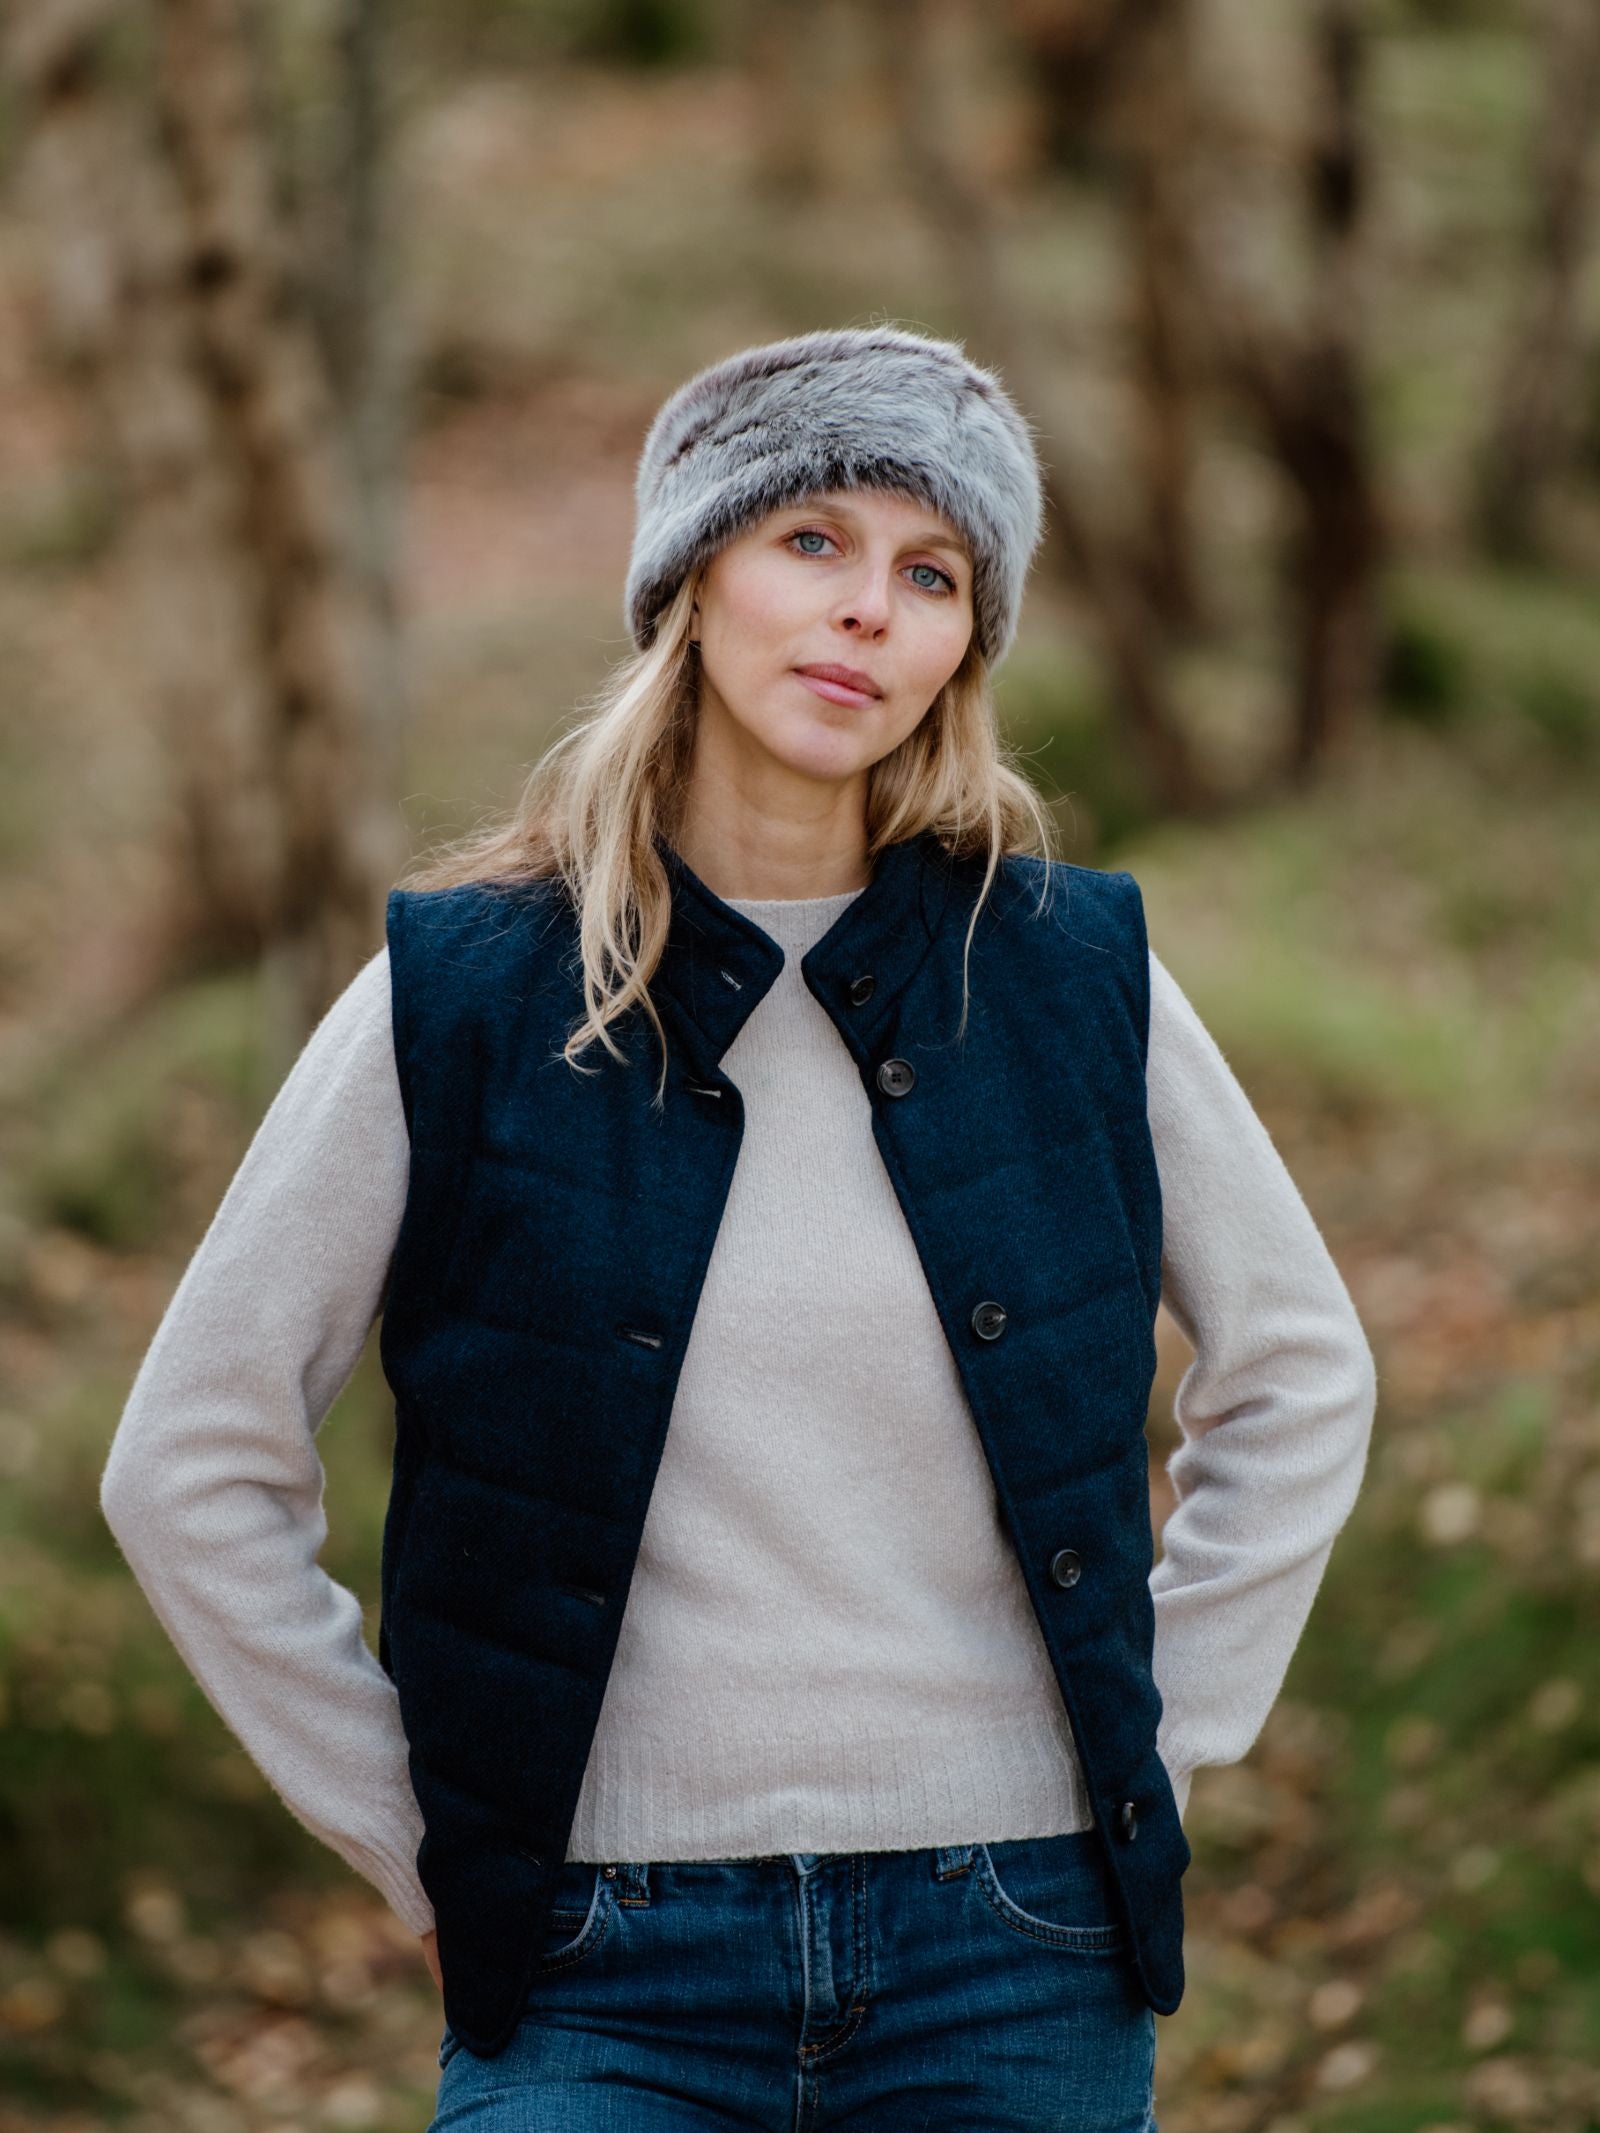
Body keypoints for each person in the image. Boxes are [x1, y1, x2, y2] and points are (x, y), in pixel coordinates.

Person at [101, 323, 1378, 2130]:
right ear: (690, 577)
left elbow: (1303, 1370)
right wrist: (422, 1825)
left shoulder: (1068, 976)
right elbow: (187, 1463)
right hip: (594, 1979)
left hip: (1011, 1952)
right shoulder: (462, 997)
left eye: (931, 575)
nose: (869, 611)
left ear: (965, 645)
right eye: (813, 542)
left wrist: (1158, 1748)